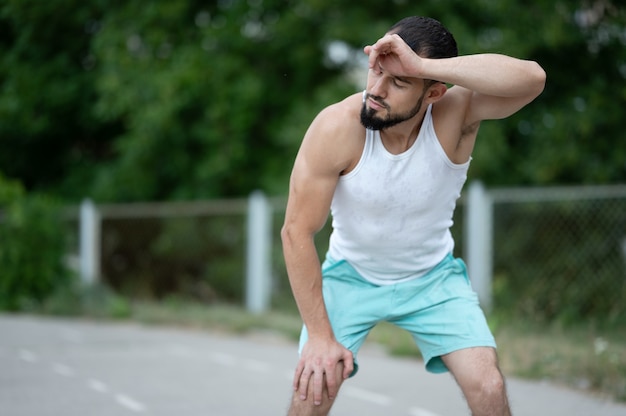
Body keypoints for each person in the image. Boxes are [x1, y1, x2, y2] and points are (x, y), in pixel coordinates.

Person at [281, 16, 546, 416]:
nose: (376, 90)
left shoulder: (456, 111)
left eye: (399, 82)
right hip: (351, 274)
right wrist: (320, 337)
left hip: (432, 277)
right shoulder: (337, 126)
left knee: (489, 386)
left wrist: (421, 66)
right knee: (312, 389)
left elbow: (533, 79)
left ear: (434, 93)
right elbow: (296, 232)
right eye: (377, 73)